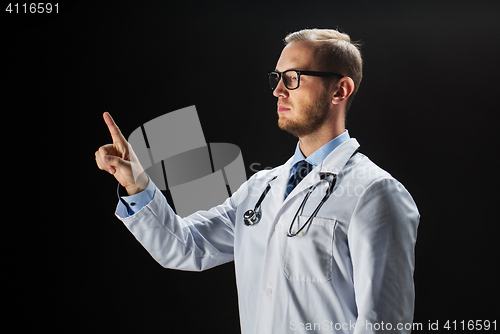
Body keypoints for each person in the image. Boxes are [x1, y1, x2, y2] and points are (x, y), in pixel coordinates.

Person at [95, 28, 420, 334]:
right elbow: (184, 247)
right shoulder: (261, 188)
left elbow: (383, 323)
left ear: (340, 89)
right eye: (276, 78)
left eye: (293, 78)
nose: (278, 90)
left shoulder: (375, 193)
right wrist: (137, 184)